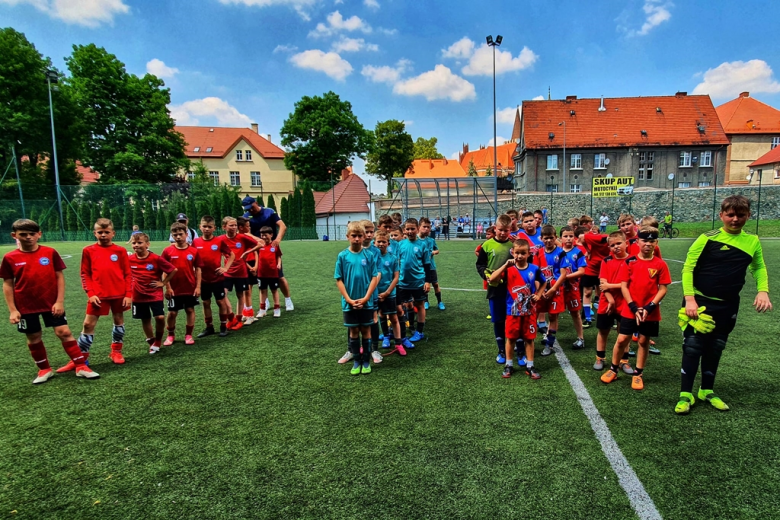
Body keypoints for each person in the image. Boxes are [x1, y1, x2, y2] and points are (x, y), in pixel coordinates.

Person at [676, 195, 771, 414]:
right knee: (693, 346)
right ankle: (685, 394)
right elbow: (688, 268)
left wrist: (763, 291)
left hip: (728, 305)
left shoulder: (752, 241)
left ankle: (706, 390)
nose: (735, 219)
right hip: (699, 302)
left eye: (740, 215)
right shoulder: (707, 238)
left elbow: (759, 267)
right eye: (730, 215)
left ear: (748, 215)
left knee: (715, 347)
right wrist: (690, 298)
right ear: (721, 215)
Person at [1, 219, 99, 383]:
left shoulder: (49, 252)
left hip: (51, 303)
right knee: (34, 336)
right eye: (23, 235)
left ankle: (81, 366)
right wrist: (13, 310)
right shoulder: (10, 258)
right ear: (14, 236)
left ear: (39, 234)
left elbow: (59, 277)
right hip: (25, 305)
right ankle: (44, 370)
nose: (28, 238)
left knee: (64, 332)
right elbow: (8, 284)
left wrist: (59, 301)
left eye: (32, 234)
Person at [58, 218, 132, 373]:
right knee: (88, 325)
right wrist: (90, 294)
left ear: (113, 233)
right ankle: (81, 358)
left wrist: (128, 294)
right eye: (100, 232)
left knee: (118, 320)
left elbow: (127, 274)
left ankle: (116, 352)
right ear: (95, 233)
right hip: (98, 295)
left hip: (119, 293)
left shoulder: (120, 251)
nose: (103, 235)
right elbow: (85, 274)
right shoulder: (88, 250)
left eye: (106, 232)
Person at [601, 227, 671, 390]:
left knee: (643, 340)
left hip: (650, 312)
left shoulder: (660, 265)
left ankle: (638, 374)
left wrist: (649, 307)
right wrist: (633, 307)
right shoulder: (629, 262)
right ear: (637, 242)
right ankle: (613, 368)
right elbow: (624, 286)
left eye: (651, 241)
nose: (648, 244)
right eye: (644, 240)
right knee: (621, 339)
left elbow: (663, 289)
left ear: (656, 243)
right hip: (630, 309)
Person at [488, 238, 545, 379]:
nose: (519, 256)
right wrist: (505, 265)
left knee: (529, 339)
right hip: (512, 312)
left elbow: (544, 282)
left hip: (529, 312)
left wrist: (538, 294)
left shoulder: (534, 269)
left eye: (523, 253)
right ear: (512, 252)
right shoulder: (509, 270)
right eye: (517, 253)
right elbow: (492, 279)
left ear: (528, 254)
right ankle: (509, 365)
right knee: (511, 339)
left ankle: (530, 366)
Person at [334, 221, 380, 375]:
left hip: (365, 302)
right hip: (350, 302)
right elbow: (338, 279)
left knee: (366, 330)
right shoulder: (343, 256)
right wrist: (348, 299)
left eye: (360, 236)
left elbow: (374, 277)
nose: (357, 239)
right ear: (348, 236)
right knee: (354, 331)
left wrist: (367, 297)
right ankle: (356, 361)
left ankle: (366, 360)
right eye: (354, 236)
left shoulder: (370, 255)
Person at [476, 214, 516, 365]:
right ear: (495, 228)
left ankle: (518, 350)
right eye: (500, 230)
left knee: (514, 318)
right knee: (498, 320)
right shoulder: (486, 245)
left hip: (513, 287)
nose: (503, 233)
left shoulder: (514, 245)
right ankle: (501, 350)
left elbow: (525, 259)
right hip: (494, 287)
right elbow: (480, 264)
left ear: (510, 229)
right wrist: (485, 275)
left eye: (506, 230)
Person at [242, 196, 294, 311]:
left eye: (251, 207)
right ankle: (265, 302)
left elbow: (282, 226)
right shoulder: (247, 217)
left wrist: (278, 239)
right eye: (247, 209)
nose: (250, 210)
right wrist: (259, 240)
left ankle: (288, 300)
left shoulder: (269, 212)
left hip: (272, 248)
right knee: (261, 277)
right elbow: (246, 233)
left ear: (256, 202)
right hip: (257, 249)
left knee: (279, 276)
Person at [129, 232, 177, 355]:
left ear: (147, 244)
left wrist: (164, 283)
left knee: (160, 317)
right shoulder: (129, 259)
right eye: (134, 243)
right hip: (138, 295)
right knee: (145, 319)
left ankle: (158, 340)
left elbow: (173, 270)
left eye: (139, 243)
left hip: (154, 293)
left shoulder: (155, 258)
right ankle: (152, 342)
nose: (136, 245)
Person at [161, 223, 204, 346]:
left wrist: (198, 286)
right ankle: (170, 335)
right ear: (172, 236)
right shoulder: (168, 251)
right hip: (174, 288)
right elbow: (164, 270)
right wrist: (168, 287)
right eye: (175, 235)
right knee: (172, 312)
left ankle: (188, 335)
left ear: (186, 234)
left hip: (190, 287)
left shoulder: (193, 251)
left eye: (181, 234)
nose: (178, 237)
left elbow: (198, 269)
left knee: (190, 309)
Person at [193, 216, 235, 338]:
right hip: (203, 279)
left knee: (220, 302)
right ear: (200, 227)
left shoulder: (219, 241)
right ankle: (209, 327)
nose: (206, 229)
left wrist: (225, 268)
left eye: (209, 227)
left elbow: (231, 255)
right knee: (206, 303)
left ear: (214, 228)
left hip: (217, 278)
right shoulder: (196, 242)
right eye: (204, 226)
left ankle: (223, 326)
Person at [594, 231, 630, 372]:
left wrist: (612, 286)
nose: (615, 247)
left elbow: (630, 284)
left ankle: (624, 360)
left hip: (625, 301)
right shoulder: (606, 261)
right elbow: (603, 284)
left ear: (626, 243)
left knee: (623, 332)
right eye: (612, 245)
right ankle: (600, 357)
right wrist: (611, 300)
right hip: (606, 300)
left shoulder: (632, 261)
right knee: (603, 330)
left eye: (618, 243)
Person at [535, 225, 569, 357]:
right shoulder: (538, 253)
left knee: (553, 316)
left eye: (551, 238)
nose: (548, 241)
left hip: (556, 290)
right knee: (534, 314)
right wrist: (539, 291)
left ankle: (549, 344)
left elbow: (563, 274)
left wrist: (553, 289)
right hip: (542, 290)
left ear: (556, 238)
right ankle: (527, 342)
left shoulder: (560, 252)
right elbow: (537, 274)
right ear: (541, 239)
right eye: (546, 238)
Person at [396, 218, 431, 343]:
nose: (410, 231)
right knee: (402, 306)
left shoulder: (422, 245)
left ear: (417, 229)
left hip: (418, 281)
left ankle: (419, 331)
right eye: (407, 229)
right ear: (404, 230)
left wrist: (427, 281)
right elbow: (396, 264)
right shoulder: (401, 244)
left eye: (412, 229)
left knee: (420, 305)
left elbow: (427, 265)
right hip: (403, 282)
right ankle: (400, 330)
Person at [220, 216, 257, 331]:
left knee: (240, 295)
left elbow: (259, 244)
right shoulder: (220, 239)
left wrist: (247, 252)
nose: (234, 227)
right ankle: (231, 317)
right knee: (222, 295)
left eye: (235, 225)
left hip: (241, 272)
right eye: (231, 225)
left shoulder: (242, 237)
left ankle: (239, 319)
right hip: (227, 273)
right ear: (224, 227)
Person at [374, 230, 406, 356]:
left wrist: (387, 292)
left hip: (390, 293)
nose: (381, 244)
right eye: (378, 242)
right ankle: (384, 337)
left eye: (383, 242)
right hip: (375, 293)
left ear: (388, 243)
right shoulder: (371, 257)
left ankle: (398, 343)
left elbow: (396, 277)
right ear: (374, 243)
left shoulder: (392, 258)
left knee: (393, 317)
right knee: (378, 316)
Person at [560, 226, 586, 350]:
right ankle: (549, 336)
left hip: (572, 288)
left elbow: (582, 271)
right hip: (558, 288)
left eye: (571, 236)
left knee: (575, 313)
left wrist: (566, 277)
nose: (569, 238)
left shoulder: (578, 252)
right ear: (561, 238)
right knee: (553, 314)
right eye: (566, 236)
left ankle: (581, 338)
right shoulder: (557, 251)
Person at [255, 226, 283, 318]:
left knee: (274, 290)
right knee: (262, 291)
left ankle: (277, 309)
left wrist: (279, 264)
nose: (263, 237)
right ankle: (262, 310)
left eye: (265, 235)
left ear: (271, 235)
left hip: (273, 273)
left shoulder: (275, 245)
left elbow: (279, 256)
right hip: (261, 273)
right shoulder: (259, 245)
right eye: (262, 235)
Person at [419, 217, 445, 311]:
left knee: (435, 284)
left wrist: (433, 252)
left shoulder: (431, 240)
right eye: (424, 226)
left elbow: (437, 250)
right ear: (419, 227)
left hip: (431, 266)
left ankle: (440, 302)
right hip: (420, 267)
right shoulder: (416, 240)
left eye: (428, 227)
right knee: (423, 285)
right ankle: (426, 301)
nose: (426, 229)